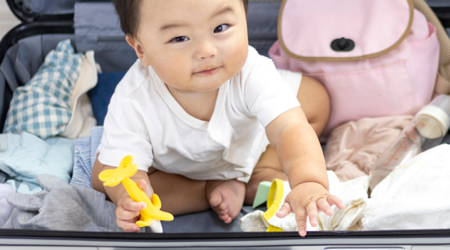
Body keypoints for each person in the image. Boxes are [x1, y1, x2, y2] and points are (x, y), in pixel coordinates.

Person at [91, 0, 343, 236]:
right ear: (141, 49)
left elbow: (290, 126)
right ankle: (207, 190)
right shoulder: (134, 98)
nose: (207, 51)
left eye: (220, 28)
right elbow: (125, 172)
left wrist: (308, 181)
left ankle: (257, 173)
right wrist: (131, 199)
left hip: (250, 146)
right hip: (176, 171)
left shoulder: (251, 72)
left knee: (315, 99)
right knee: (107, 174)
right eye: (179, 38)